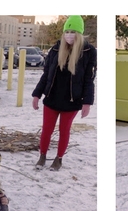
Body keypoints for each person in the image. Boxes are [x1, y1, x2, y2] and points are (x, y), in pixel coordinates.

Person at [31, 16, 97, 171]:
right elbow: (46, 75)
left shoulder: (88, 52)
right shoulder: (55, 49)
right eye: (66, 31)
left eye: (72, 31)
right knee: (47, 129)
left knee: (64, 130)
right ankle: (42, 156)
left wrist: (87, 102)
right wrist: (36, 95)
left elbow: (89, 79)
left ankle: (59, 158)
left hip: (72, 101)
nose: (69, 35)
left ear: (79, 33)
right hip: (52, 98)